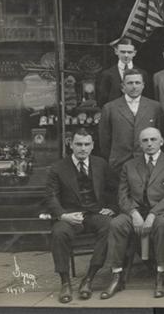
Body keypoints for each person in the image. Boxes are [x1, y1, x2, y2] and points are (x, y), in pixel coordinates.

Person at [100, 128, 164, 300]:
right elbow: (122, 196)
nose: (149, 143)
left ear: (161, 141)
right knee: (116, 224)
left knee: (161, 225)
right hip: (135, 211)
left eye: (153, 139)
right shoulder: (129, 165)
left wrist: (153, 214)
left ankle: (161, 275)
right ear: (140, 144)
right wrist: (133, 212)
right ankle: (116, 275)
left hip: (161, 211)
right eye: (145, 140)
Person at [45, 129, 115, 303]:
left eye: (86, 144)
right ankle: (65, 283)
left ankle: (89, 278)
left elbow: (114, 189)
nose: (83, 148)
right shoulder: (58, 168)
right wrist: (63, 215)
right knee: (59, 233)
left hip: (95, 213)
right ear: (71, 145)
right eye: (78, 144)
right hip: (70, 216)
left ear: (92, 146)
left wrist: (112, 208)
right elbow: (51, 196)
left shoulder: (101, 164)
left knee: (110, 226)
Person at [98, 69, 163, 173]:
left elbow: (161, 134)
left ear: (143, 85)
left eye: (137, 83)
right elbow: (104, 140)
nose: (134, 86)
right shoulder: (110, 108)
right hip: (119, 164)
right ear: (123, 86)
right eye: (130, 83)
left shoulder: (155, 107)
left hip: (147, 163)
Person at [97, 38, 150, 106]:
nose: (126, 55)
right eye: (123, 52)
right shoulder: (107, 74)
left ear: (134, 53)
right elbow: (102, 101)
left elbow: (147, 99)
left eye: (129, 52)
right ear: (116, 51)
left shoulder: (143, 74)